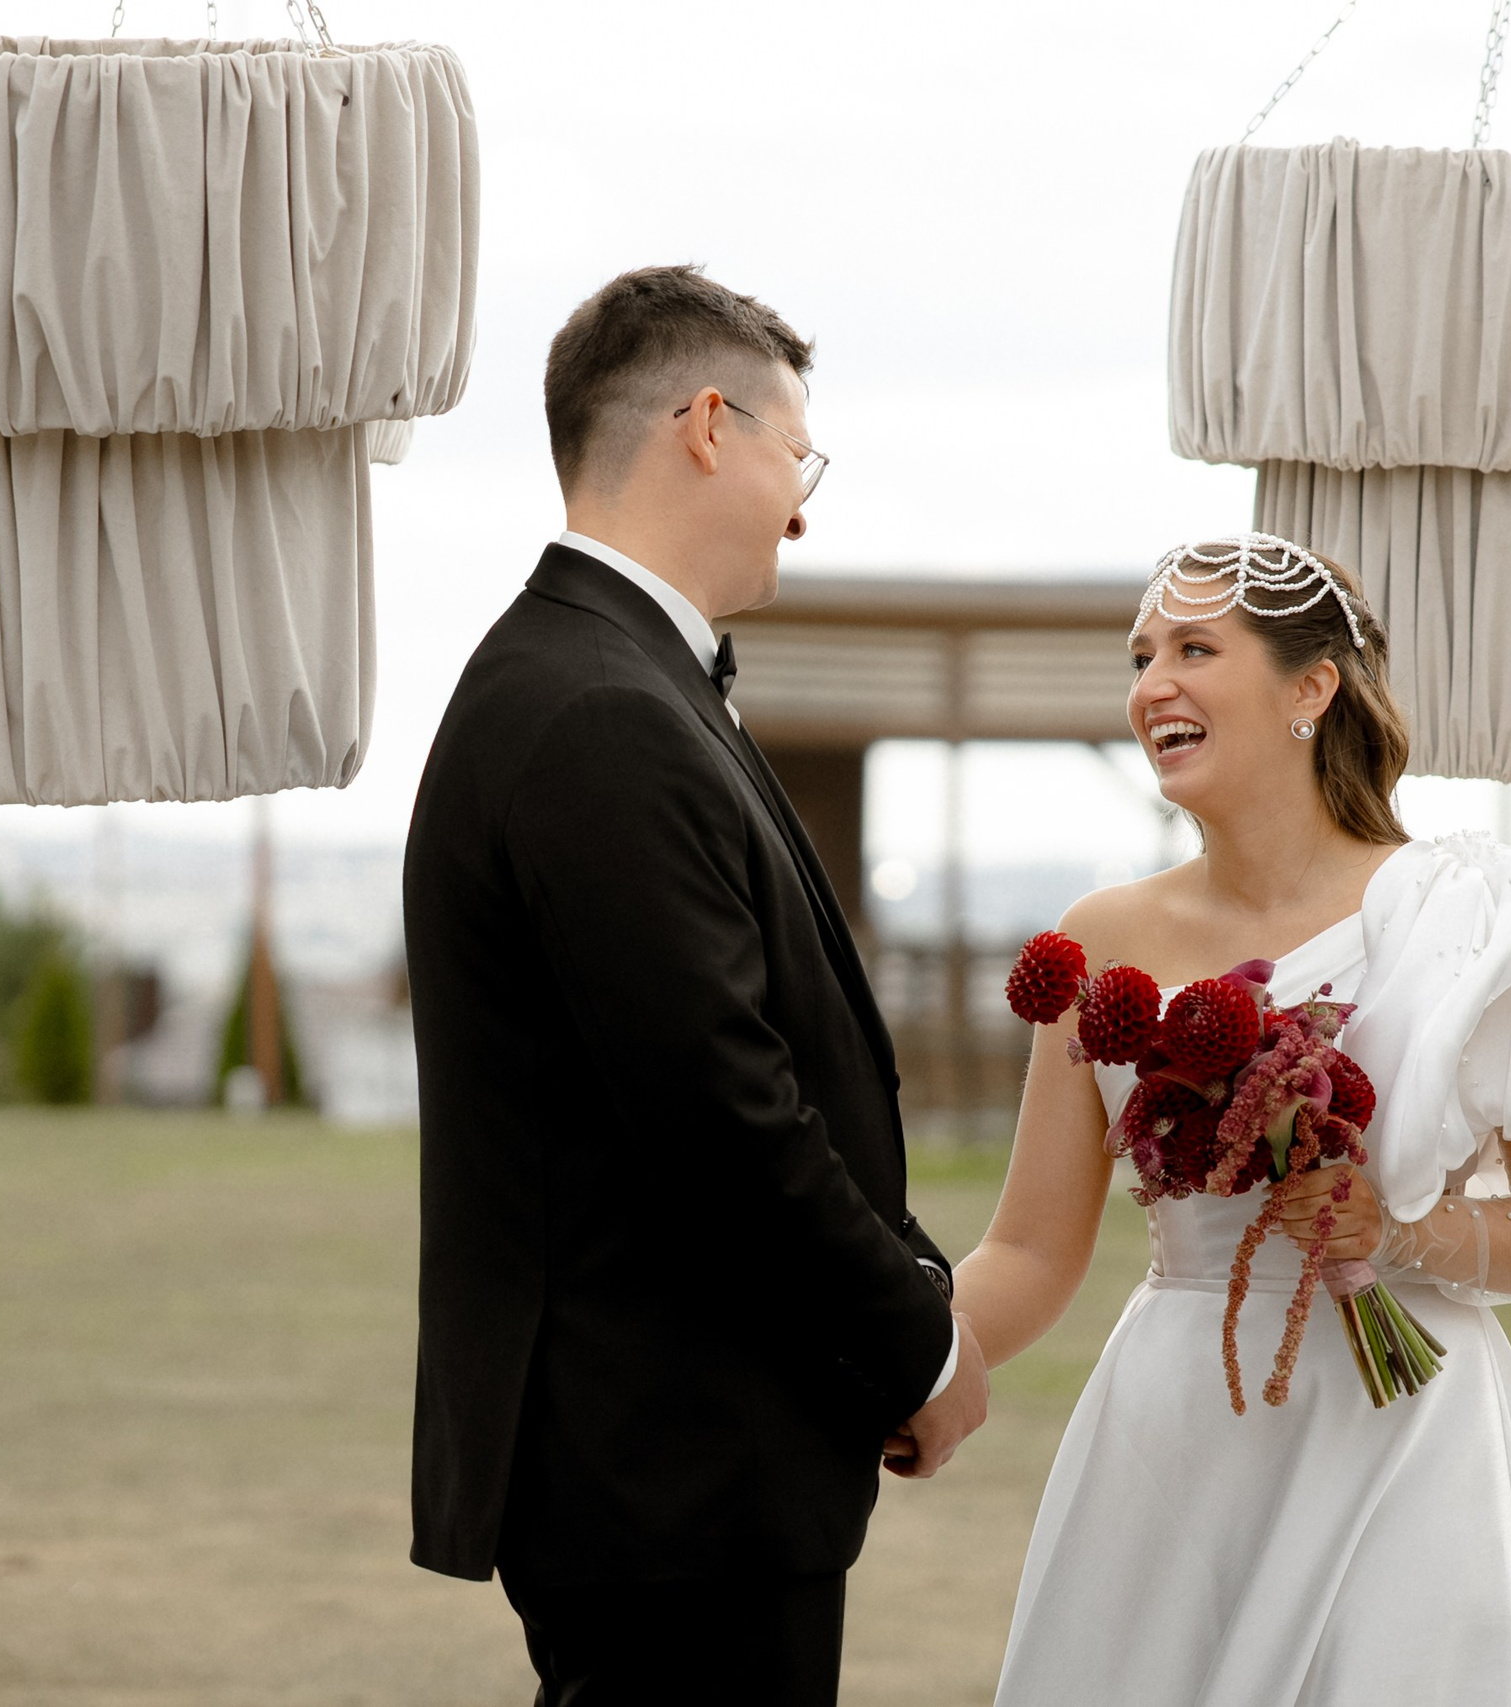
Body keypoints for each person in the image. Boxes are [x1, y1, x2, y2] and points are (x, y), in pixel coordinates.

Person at [954, 534, 1511, 1704]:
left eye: (1196, 648)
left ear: (1313, 687)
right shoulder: (1101, 934)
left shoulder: (1464, 916)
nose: (1153, 684)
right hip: (1175, 1430)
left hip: (1405, 1437)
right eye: (1142, 655)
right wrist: (901, 1363)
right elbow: (1031, 1252)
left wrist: (1400, 1234)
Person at [401, 265, 989, 1706]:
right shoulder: (599, 706)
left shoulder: (608, 676)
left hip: (683, 1455)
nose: (807, 500)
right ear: (709, 426)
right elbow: (724, 1106)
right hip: (663, 1460)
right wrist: (916, 1340)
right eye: (802, 452)